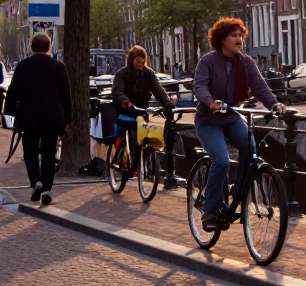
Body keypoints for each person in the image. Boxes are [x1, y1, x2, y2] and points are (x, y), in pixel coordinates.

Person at [193, 17, 287, 231]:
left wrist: (274, 105)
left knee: (250, 147)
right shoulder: (208, 61)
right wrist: (210, 102)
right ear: (222, 39)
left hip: (232, 115)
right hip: (209, 120)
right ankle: (210, 210)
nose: (239, 39)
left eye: (241, 35)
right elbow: (199, 86)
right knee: (222, 161)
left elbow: (259, 86)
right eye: (234, 35)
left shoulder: (245, 62)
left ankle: (237, 191)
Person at [3, 33, 72, 204]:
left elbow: (13, 91)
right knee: (49, 154)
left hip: (29, 117)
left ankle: (36, 182)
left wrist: (10, 112)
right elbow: (66, 95)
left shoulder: (23, 66)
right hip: (52, 117)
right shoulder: (58, 67)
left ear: (31, 47)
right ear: (49, 46)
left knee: (30, 152)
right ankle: (47, 189)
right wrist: (67, 119)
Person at [111, 45, 172, 168]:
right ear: (131, 60)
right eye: (137, 60)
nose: (140, 62)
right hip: (126, 110)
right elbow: (118, 90)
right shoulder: (122, 74)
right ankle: (127, 159)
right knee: (134, 132)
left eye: (142, 60)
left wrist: (167, 103)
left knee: (153, 133)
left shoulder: (148, 73)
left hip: (142, 110)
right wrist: (125, 102)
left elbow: (158, 90)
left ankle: (146, 160)